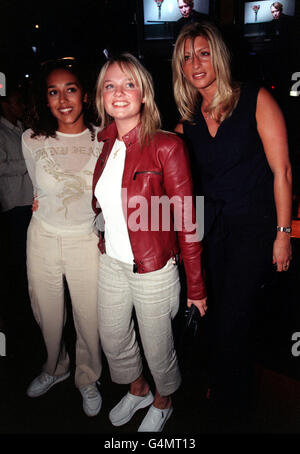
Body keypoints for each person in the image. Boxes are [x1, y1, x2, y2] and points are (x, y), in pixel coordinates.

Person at [172, 22, 292, 426]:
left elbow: (283, 172)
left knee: (234, 320)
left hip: (255, 229)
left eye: (203, 53)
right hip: (213, 233)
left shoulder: (256, 99)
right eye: (187, 57)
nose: (196, 63)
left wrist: (283, 233)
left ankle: (232, 406)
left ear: (218, 56)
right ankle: (224, 387)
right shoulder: (187, 120)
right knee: (217, 315)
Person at [93, 53, 207, 432]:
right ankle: (139, 389)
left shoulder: (167, 146)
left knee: (160, 351)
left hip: (154, 269)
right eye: (110, 85)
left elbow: (190, 221)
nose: (119, 92)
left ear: (144, 94)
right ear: (102, 97)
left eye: (129, 84)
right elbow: (106, 203)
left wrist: (196, 287)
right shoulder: (106, 143)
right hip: (112, 264)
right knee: (113, 340)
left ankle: (163, 399)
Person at [22, 60, 102, 417]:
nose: (63, 99)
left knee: (90, 318)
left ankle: (87, 377)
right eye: (53, 92)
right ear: (46, 99)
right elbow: (39, 188)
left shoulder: (105, 137)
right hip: (43, 239)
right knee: (48, 316)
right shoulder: (32, 139)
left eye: (70, 89)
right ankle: (56, 367)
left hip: (86, 240)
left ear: (85, 95)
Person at [0, 83, 33, 335]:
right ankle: (22, 306)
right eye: (17, 101)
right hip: (13, 203)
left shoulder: (21, 127)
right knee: (19, 256)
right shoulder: (2, 132)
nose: (22, 106)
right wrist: (28, 162)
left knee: (28, 253)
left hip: (28, 200)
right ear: (5, 105)